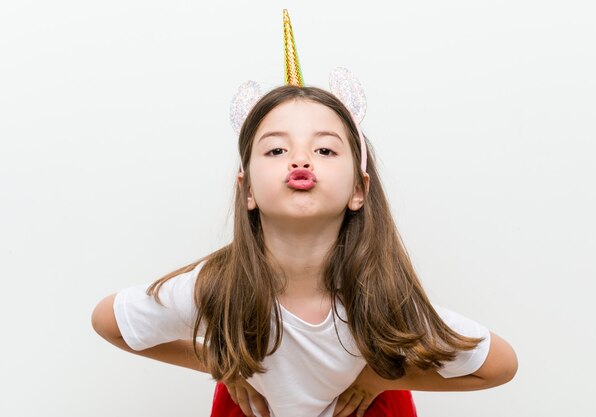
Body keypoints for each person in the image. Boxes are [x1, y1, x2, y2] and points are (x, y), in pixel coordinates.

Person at [91, 10, 517, 417]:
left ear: (358, 189)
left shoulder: (383, 298)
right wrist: (220, 363)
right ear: (248, 191)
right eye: (276, 149)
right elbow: (109, 321)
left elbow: (498, 365)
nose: (300, 159)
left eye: (325, 149)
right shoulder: (216, 287)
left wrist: (379, 380)